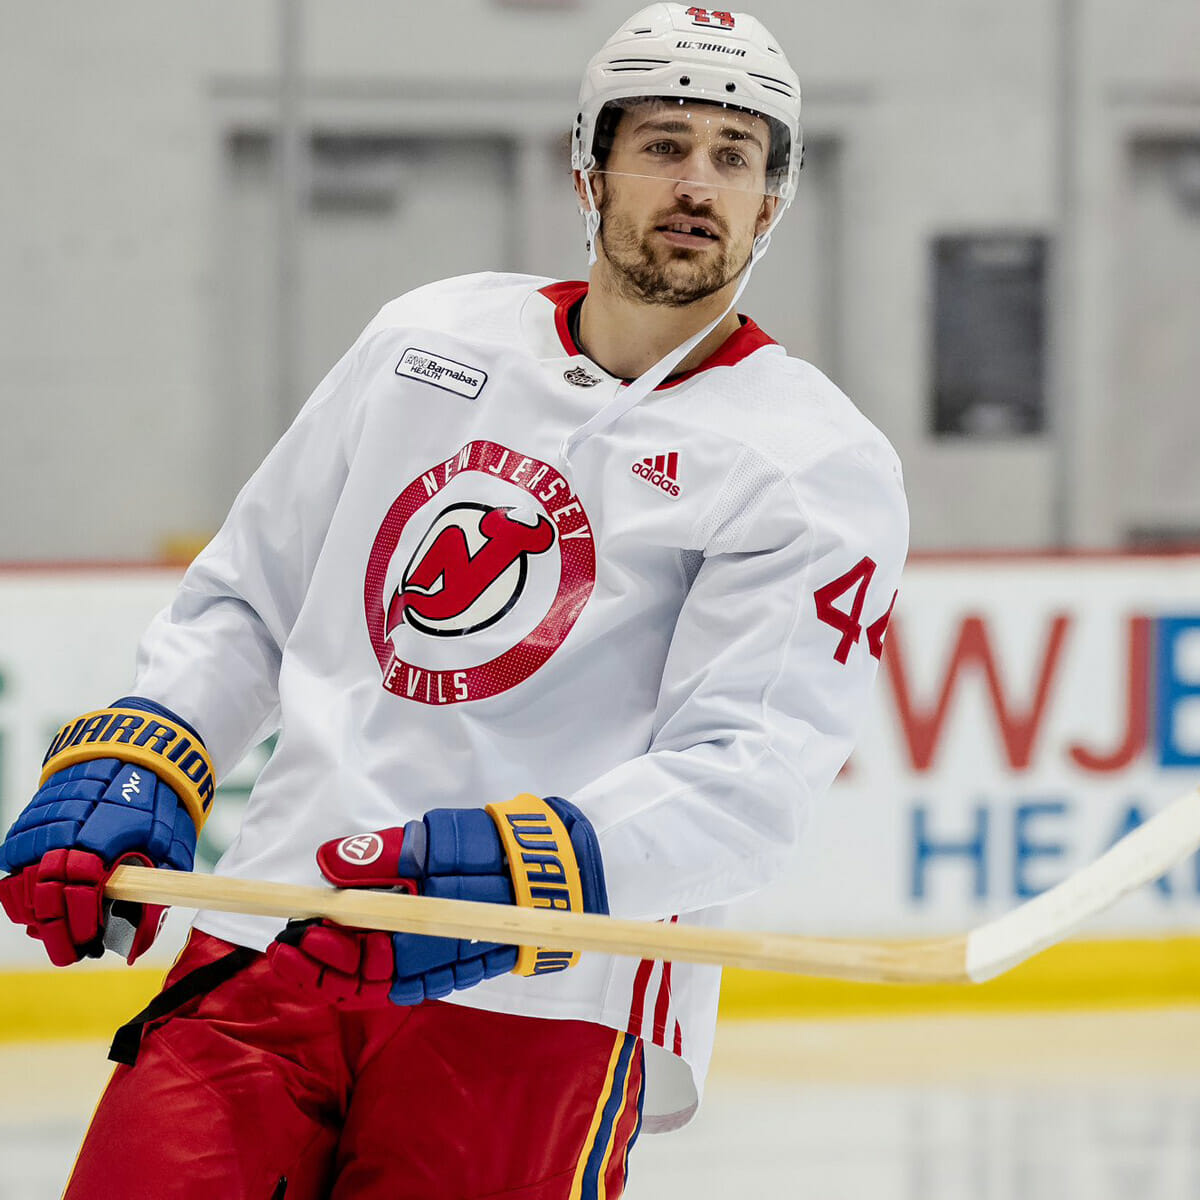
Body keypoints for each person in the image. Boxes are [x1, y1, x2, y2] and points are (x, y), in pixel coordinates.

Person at [0, 4, 908, 1198]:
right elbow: (252, 596)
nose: (698, 183)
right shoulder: (426, 337)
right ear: (588, 165)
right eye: (665, 144)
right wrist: (150, 749)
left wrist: (529, 872)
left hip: (542, 996)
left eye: (735, 157)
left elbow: (747, 775)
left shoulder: (812, 460)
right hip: (273, 928)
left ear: (772, 199)